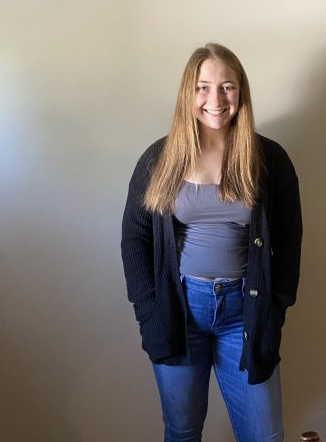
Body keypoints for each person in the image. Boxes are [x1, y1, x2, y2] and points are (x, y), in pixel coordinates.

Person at [121, 43, 302, 442]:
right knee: (182, 432)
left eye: (227, 87)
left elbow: (289, 242)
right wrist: (149, 311)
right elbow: (135, 238)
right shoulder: (159, 159)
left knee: (265, 436)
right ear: (188, 93)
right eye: (203, 87)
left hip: (245, 313)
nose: (215, 100)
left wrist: (275, 310)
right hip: (179, 312)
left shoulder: (269, 159)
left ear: (241, 92)